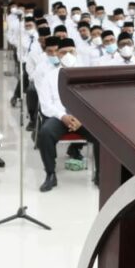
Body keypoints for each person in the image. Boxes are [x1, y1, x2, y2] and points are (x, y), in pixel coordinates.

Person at [38, 39, 100, 191]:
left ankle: (101, 174)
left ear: (76, 53)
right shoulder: (49, 76)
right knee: (45, 133)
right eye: (63, 52)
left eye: (71, 52)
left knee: (102, 134)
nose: (67, 55)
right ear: (57, 55)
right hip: (59, 117)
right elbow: (45, 104)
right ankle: (50, 174)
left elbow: (94, 101)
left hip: (83, 118)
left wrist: (81, 117)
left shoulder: (87, 75)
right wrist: (63, 116)